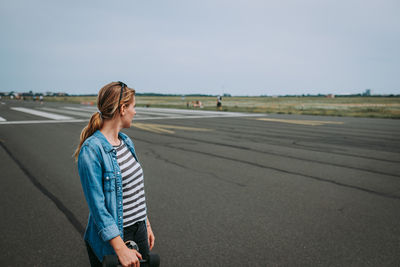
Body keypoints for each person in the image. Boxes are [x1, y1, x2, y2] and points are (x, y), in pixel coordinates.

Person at [74, 81, 155, 267]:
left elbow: (134, 191)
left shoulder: (126, 142)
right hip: (116, 236)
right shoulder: (92, 150)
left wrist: (146, 224)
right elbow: (98, 207)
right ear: (122, 108)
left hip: (139, 229)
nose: (135, 112)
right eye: (133, 107)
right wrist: (120, 248)